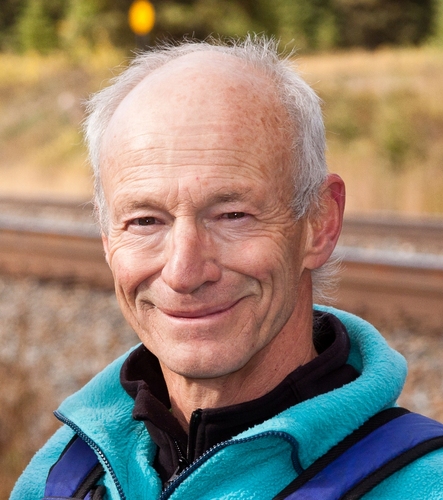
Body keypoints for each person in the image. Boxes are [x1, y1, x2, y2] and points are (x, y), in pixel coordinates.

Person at [10, 36, 443, 500]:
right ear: (106, 237)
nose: (184, 271)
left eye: (232, 215)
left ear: (320, 224)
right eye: (144, 221)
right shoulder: (64, 475)